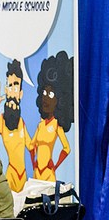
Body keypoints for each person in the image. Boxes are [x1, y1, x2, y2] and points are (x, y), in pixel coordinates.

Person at [0, 59, 33, 192]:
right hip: (11, 174)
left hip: (23, 176)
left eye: (16, 87)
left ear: (20, 94)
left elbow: (30, 145)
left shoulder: (21, 123)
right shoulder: (2, 121)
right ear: (6, 90)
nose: (12, 91)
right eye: (10, 85)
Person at [31, 51, 74, 181]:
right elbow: (32, 146)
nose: (45, 97)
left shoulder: (56, 125)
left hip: (49, 173)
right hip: (37, 173)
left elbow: (67, 148)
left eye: (50, 95)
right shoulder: (40, 125)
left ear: (60, 99)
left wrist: (55, 165)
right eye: (44, 92)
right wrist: (34, 163)